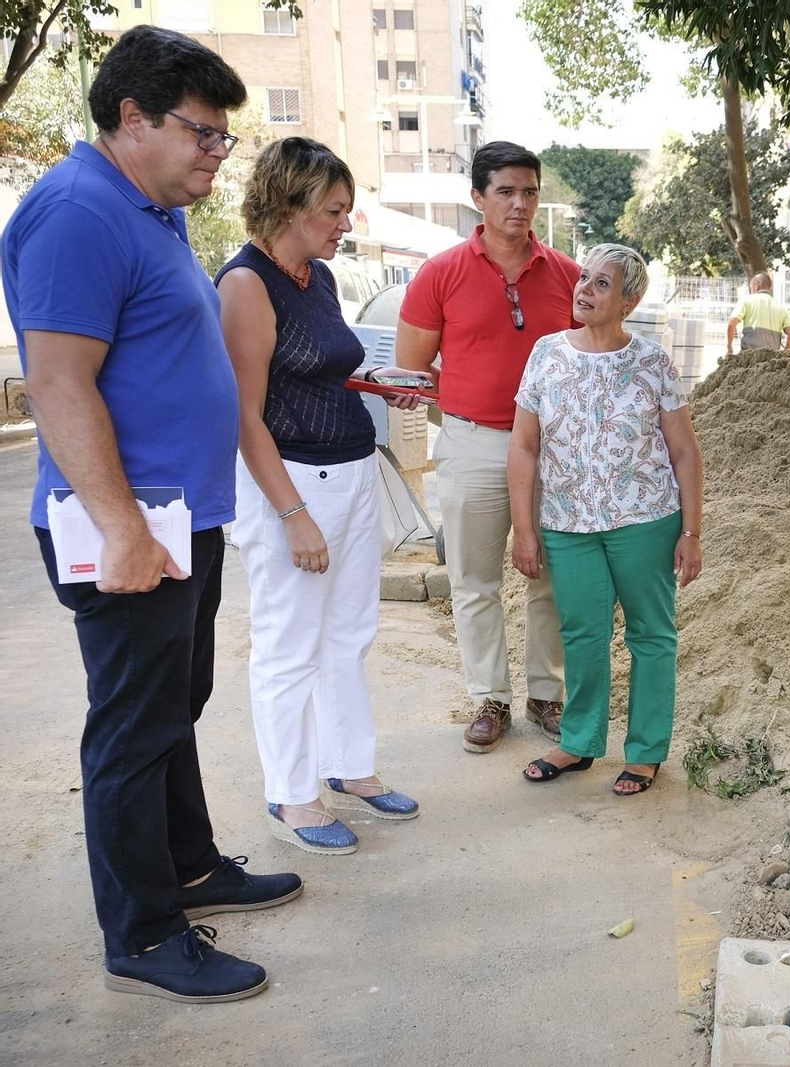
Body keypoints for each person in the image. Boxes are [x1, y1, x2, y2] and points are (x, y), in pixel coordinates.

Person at [0, 26, 298, 1002]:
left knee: (175, 704)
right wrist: (121, 523)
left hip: (182, 518)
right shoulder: (77, 212)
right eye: (202, 133)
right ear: (131, 117)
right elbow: (57, 382)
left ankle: (192, 862)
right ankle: (143, 927)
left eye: (222, 139)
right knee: (132, 727)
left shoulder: (152, 209)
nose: (217, 153)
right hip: (126, 526)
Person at [217, 137, 420, 857]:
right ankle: (293, 792)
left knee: (348, 633)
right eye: (334, 210)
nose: (345, 224)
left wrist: (376, 382)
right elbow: (245, 415)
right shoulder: (246, 285)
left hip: (354, 470)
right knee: (288, 643)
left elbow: (321, 371)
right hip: (292, 483)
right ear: (289, 204)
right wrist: (292, 515)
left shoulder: (318, 277)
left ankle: (351, 767)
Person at [396, 142, 576, 754]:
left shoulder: (567, 276)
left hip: (556, 452)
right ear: (478, 197)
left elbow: (588, 362)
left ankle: (546, 695)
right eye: (505, 191)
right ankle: (489, 699)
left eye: (529, 192)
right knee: (474, 580)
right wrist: (475, 418)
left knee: (552, 578)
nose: (520, 204)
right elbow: (414, 371)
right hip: (472, 445)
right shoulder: (439, 273)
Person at [509, 244, 705, 796]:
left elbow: (685, 451)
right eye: (584, 278)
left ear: (629, 300)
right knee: (582, 634)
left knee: (651, 635)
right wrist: (525, 528)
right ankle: (579, 742)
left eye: (601, 284)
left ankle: (645, 752)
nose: (584, 290)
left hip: (645, 519)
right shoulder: (546, 354)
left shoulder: (652, 361)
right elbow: (524, 447)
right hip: (568, 524)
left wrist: (692, 533)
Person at [725, 272, 790, 356]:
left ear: (756, 285)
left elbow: (732, 323)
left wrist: (729, 347)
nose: (751, 290)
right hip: (771, 362)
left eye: (751, 287)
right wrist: (784, 355)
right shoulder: (782, 308)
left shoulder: (747, 301)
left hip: (748, 359)